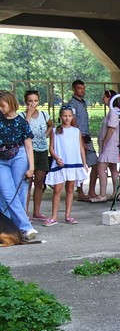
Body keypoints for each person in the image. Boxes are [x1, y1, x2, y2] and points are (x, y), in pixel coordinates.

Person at [0, 90, 38, 241]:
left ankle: (17, 229)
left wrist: (31, 167)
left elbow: (28, 146)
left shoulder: (21, 122)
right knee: (7, 192)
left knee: (20, 192)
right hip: (1, 159)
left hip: (19, 156)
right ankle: (25, 227)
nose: (1, 109)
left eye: (2, 105)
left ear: (10, 104)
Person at [44, 105, 89, 226]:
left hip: (73, 163)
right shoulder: (55, 131)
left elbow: (81, 148)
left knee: (70, 189)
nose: (67, 118)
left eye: (69, 116)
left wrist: (84, 163)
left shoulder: (76, 131)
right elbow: (51, 147)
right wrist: (56, 158)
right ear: (60, 116)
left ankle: (68, 215)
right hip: (60, 164)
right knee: (57, 189)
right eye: (64, 116)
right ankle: (54, 216)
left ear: (72, 117)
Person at [20, 90, 51, 220]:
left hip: (42, 151)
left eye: (35, 100)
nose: (33, 103)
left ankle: (36, 211)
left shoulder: (44, 115)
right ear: (25, 102)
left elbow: (51, 126)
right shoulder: (21, 115)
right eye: (30, 101)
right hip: (28, 152)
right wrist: (29, 114)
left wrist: (45, 135)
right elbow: (23, 130)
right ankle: (24, 212)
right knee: (27, 182)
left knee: (39, 183)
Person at [66, 80, 98, 201]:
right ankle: (80, 191)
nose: (82, 91)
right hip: (78, 138)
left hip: (87, 136)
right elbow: (73, 122)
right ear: (74, 89)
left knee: (95, 163)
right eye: (79, 88)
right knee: (79, 164)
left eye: (83, 88)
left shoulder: (84, 103)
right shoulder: (71, 104)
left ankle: (91, 191)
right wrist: (80, 140)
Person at [95, 90, 120, 202]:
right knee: (113, 167)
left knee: (101, 167)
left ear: (109, 97)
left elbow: (112, 128)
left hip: (111, 143)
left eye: (104, 96)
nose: (102, 98)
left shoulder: (114, 111)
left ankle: (102, 194)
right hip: (115, 143)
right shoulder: (116, 110)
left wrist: (104, 141)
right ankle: (116, 192)